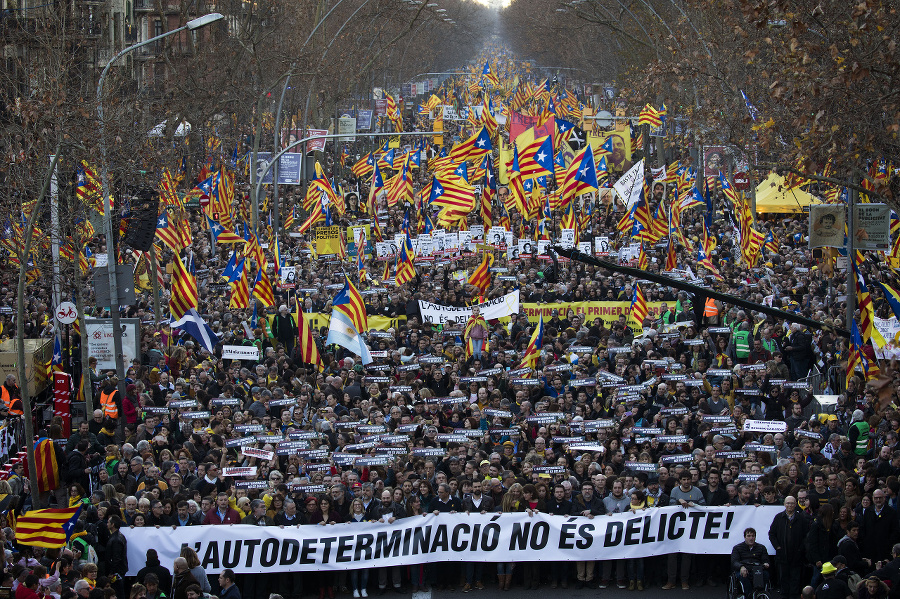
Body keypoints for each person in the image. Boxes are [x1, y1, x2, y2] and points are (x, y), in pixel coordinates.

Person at [769, 496, 812, 599]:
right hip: (782, 554)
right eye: (788, 503)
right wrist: (777, 547)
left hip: (797, 555)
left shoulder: (801, 518)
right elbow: (772, 534)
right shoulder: (778, 517)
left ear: (795, 504)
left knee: (795, 579)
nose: (790, 505)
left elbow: (807, 536)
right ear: (784, 504)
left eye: (792, 503)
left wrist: (801, 549)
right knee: (783, 578)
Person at [731, 528, 770, 597]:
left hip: (757, 569)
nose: (751, 538)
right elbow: (734, 562)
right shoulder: (737, 548)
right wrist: (741, 567)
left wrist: (766, 564)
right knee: (742, 575)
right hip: (744, 569)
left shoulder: (761, 548)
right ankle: (749, 594)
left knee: (766, 574)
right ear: (745, 537)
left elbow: (765, 560)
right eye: (748, 536)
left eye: (753, 536)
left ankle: (760, 593)